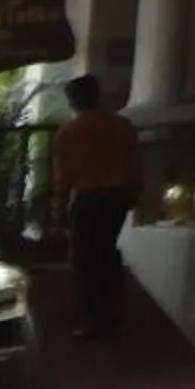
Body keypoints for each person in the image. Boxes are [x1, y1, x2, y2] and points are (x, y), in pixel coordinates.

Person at [52, 74, 142, 340]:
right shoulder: (121, 126)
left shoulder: (68, 133)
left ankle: (92, 317)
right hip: (117, 196)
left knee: (85, 258)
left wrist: (58, 209)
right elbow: (134, 164)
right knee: (107, 251)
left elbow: (64, 176)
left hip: (88, 198)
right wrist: (134, 193)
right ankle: (113, 310)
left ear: (73, 100)